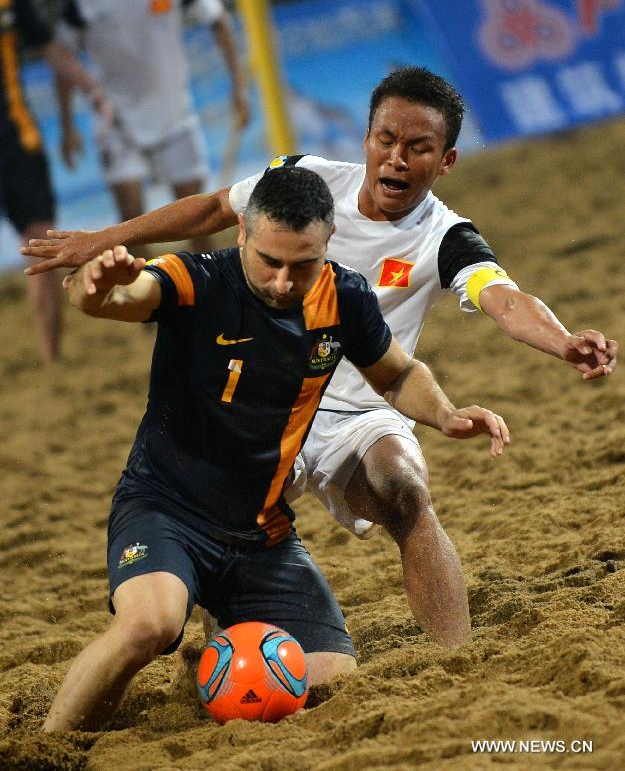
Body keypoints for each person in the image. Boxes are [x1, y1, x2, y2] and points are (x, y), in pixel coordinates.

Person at [22, 67, 618, 646]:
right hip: (257, 401)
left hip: (360, 408)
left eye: (419, 147)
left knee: (405, 489)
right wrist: (104, 239)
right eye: (386, 140)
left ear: (447, 160)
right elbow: (211, 210)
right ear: (366, 138)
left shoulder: (448, 238)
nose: (397, 159)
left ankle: (459, 658)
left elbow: (506, 300)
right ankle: (221, 652)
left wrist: (563, 341)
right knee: (226, 528)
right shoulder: (303, 181)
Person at [42, 167, 508, 732]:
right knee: (150, 627)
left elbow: (399, 373)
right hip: (166, 512)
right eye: (270, 261)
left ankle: (213, 654)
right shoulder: (200, 279)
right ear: (242, 234)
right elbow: (120, 296)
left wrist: (446, 414)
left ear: (329, 243)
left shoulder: (345, 297)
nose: (285, 281)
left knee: (333, 680)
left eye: (303, 264)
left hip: (263, 533)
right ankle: (48, 747)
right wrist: (97, 283)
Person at [55, 0, 249, 245]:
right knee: (131, 231)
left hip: (175, 117)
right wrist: (67, 124)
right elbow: (61, 57)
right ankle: (146, 300)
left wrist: (239, 86)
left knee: (198, 223)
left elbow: (218, 18)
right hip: (118, 124)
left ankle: (200, 298)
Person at [0, 0, 110, 362]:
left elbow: (51, 50)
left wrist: (93, 90)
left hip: (16, 139)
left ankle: (51, 358)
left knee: (39, 245)